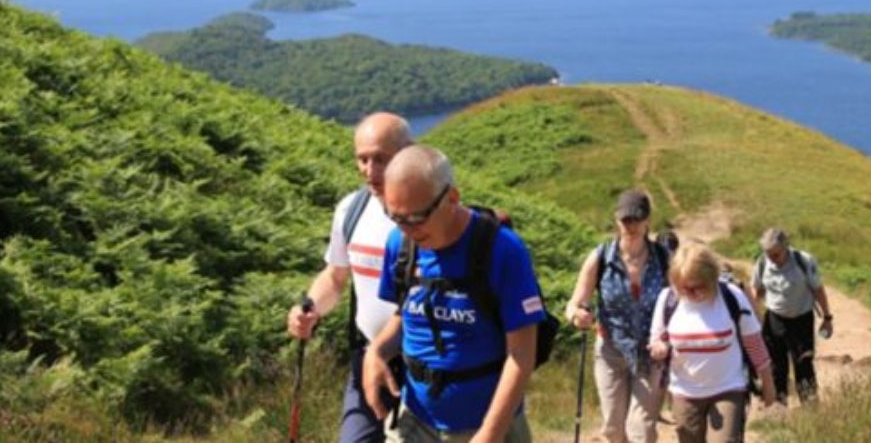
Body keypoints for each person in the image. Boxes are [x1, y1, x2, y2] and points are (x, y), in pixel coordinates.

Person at [362, 146, 544, 443]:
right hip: (413, 420)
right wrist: (377, 351)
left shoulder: (502, 250)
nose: (407, 230)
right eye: (395, 216)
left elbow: (521, 354)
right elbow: (406, 313)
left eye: (417, 217)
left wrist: (490, 434)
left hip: (485, 426)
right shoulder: (400, 245)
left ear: (452, 199)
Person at [287, 113, 415, 443]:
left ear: (408, 153)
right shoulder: (351, 209)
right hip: (367, 359)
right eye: (363, 159)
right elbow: (336, 275)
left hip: (425, 363)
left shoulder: (429, 214)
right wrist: (311, 307)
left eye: (381, 159)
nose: (370, 171)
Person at [566, 189, 671, 443]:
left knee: (642, 430)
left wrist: (668, 340)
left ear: (648, 220)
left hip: (650, 353)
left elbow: (679, 303)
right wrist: (577, 314)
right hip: (610, 352)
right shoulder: (601, 258)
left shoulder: (663, 258)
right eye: (625, 220)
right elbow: (575, 303)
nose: (630, 226)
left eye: (636, 219)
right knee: (613, 428)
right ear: (617, 220)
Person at [650, 245, 775, 443]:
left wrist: (768, 386)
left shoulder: (731, 296)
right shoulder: (668, 299)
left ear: (711, 279)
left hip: (728, 388)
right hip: (685, 392)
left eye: (697, 286)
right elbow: (657, 338)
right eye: (684, 287)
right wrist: (659, 348)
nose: (690, 293)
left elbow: (754, 344)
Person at [750, 228, 830, 406]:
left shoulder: (804, 261)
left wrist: (827, 317)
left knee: (803, 364)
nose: (772, 259)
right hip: (774, 320)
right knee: (776, 365)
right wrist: (752, 315)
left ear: (786, 246)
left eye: (776, 254)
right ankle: (779, 405)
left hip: (801, 320)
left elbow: (818, 289)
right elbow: (756, 289)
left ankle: (810, 406)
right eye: (769, 254)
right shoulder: (762, 263)